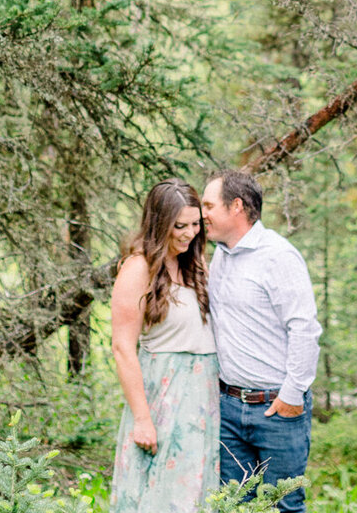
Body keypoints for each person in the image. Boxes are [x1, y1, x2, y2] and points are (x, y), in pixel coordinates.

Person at [202, 169, 321, 513]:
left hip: (276, 409)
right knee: (234, 505)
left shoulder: (278, 257)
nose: (202, 213)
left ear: (236, 206)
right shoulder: (221, 254)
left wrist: (291, 395)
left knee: (284, 506)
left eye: (209, 205)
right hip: (228, 408)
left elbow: (304, 329)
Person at [110, 179, 220, 513]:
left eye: (195, 224)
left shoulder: (195, 263)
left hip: (204, 395)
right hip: (164, 394)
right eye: (180, 226)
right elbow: (122, 347)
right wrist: (143, 418)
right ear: (160, 224)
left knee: (197, 492)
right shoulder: (138, 268)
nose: (189, 233)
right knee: (160, 494)